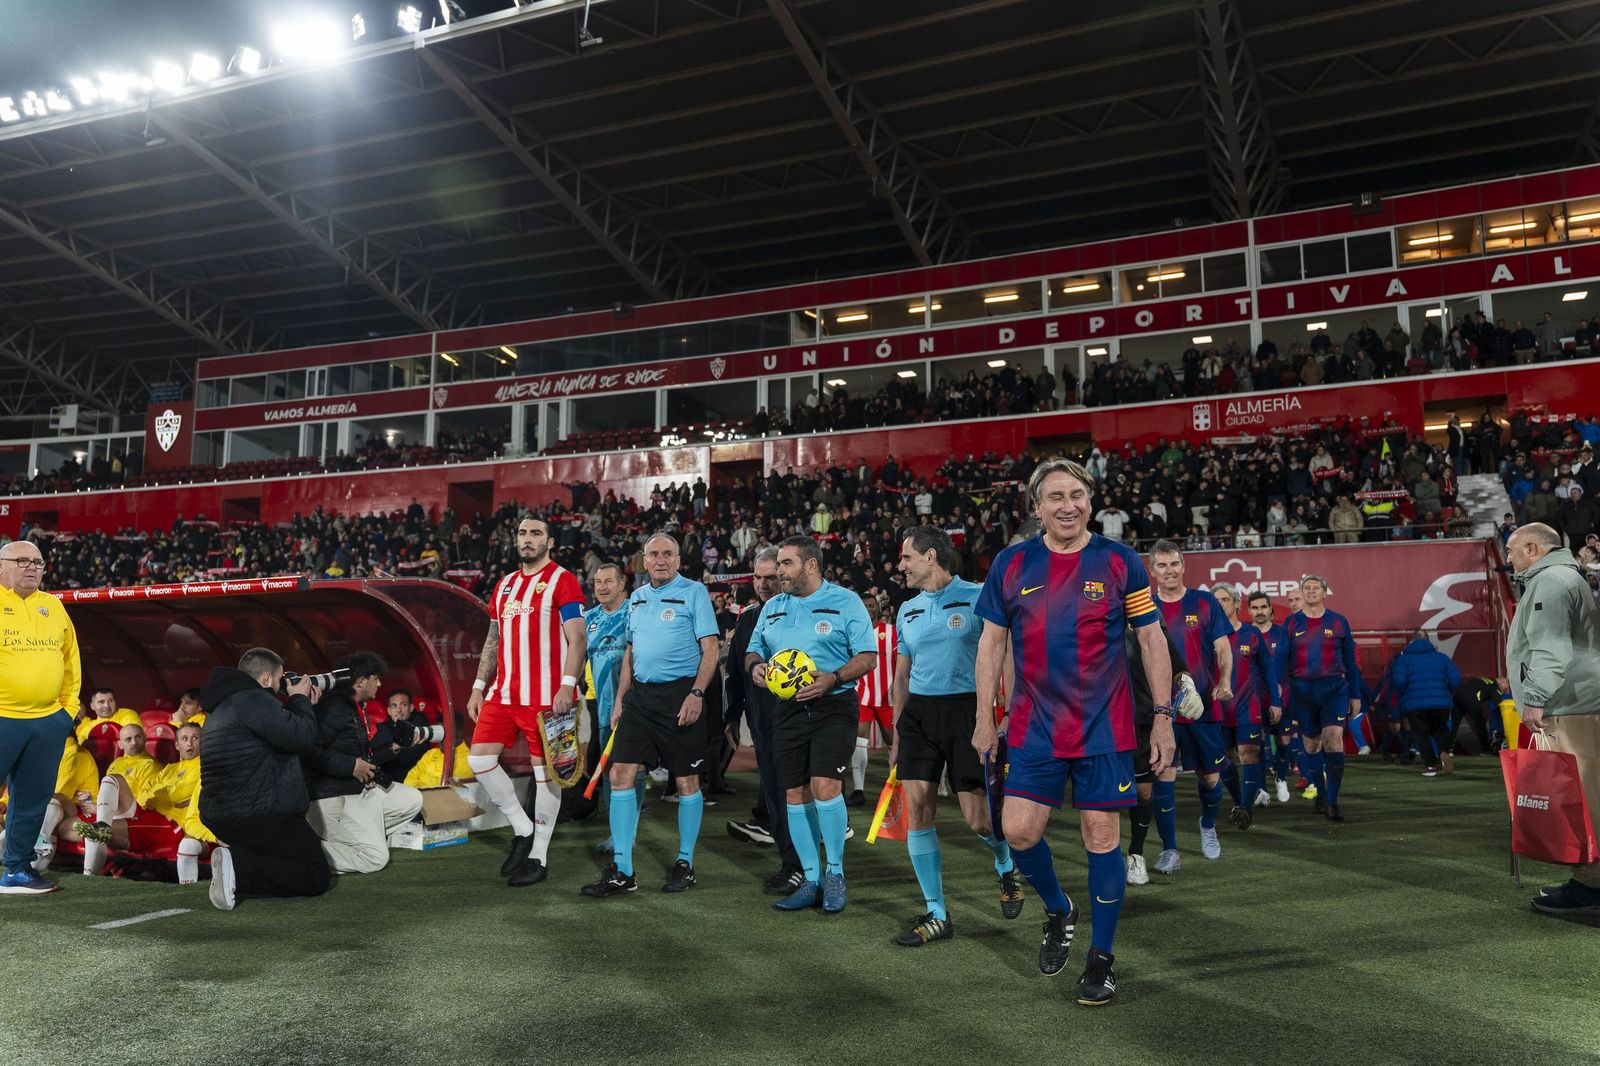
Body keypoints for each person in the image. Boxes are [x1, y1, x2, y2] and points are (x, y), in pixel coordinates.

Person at [972, 458, 1175, 1007]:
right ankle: (1060, 909)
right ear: (1037, 507)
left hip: (1104, 728)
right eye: (1056, 496)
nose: (1068, 505)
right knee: (1017, 833)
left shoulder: (1119, 561)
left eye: (1078, 494)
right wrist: (985, 717)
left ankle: (1101, 960)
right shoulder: (1012, 564)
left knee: (1102, 839)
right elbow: (992, 643)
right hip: (1035, 725)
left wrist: (1162, 714)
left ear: (1091, 501)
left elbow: (1152, 639)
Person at [889, 526, 1021, 946]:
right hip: (919, 718)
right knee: (918, 811)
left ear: (930, 557)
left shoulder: (980, 595)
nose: (901, 565)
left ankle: (1005, 864)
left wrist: (1009, 712)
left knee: (978, 820)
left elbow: (1007, 654)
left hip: (969, 712)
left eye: (907, 557)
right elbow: (901, 677)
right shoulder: (905, 610)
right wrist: (896, 733)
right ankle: (936, 913)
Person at [746, 535, 877, 914]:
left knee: (824, 786)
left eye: (786, 564)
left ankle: (835, 873)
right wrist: (755, 667)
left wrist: (833, 677)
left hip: (833, 705)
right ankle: (810, 878)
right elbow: (755, 650)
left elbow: (867, 657)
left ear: (811, 565)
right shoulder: (772, 608)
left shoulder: (846, 601)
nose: (779, 572)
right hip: (785, 709)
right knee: (794, 793)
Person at [584, 532, 719, 897]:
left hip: (680, 695)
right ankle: (623, 871)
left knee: (686, 781)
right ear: (644, 560)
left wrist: (696, 694)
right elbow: (631, 651)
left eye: (667, 554)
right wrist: (620, 700)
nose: (660, 560)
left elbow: (711, 649)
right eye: (654, 554)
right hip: (640, 698)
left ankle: (685, 862)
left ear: (678, 559)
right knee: (620, 772)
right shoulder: (639, 598)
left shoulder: (694, 593)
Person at [464, 514, 587, 887]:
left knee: (546, 776)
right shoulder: (503, 587)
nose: (527, 539)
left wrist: (568, 684)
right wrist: (478, 685)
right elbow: (492, 641)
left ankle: (539, 857)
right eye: (522, 533)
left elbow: (578, 638)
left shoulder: (562, 580)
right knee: (479, 759)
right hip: (504, 694)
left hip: (548, 700)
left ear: (550, 543)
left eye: (536, 533)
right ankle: (522, 828)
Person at [1503, 523, 1600, 916]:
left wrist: (1535, 698)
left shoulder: (1551, 581)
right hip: (1577, 701)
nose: (1508, 557)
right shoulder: (1562, 577)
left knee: (1584, 798)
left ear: (1532, 548)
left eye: (1511, 549)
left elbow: (1550, 645)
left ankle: (1591, 886)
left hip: (1570, 704)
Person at [198, 647, 331, 910]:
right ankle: (237, 867)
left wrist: (300, 706)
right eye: (282, 680)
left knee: (276, 858)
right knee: (315, 875)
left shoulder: (221, 709)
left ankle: (235, 865)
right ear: (268, 678)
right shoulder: (254, 700)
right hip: (262, 813)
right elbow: (301, 738)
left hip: (224, 815)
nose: (283, 687)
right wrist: (301, 700)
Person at [1146, 540, 1233, 872]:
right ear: (1152, 571)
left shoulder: (1205, 601)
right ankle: (1170, 850)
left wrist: (1224, 681)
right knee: (1163, 774)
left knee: (1210, 778)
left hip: (1202, 706)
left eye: (1174, 564)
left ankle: (1208, 825)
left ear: (1184, 566)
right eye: (1162, 565)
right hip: (1160, 707)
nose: (1169, 571)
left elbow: (1222, 648)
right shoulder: (1144, 607)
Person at [723, 549, 805, 894]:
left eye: (771, 577)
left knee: (802, 793)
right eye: (757, 578)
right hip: (762, 723)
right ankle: (791, 863)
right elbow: (736, 675)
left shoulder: (803, 612)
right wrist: (732, 715)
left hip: (802, 720)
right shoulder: (746, 619)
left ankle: (814, 865)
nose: (763, 584)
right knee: (774, 793)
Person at [0, 539, 79, 895]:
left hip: (47, 722)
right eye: (22, 561)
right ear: (2, 565)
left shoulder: (54, 606)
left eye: (38, 562)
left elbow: (71, 662)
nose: (32, 567)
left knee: (33, 800)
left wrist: (68, 712)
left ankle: (16, 870)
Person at [304, 652, 424, 875]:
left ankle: (357, 841)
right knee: (376, 858)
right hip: (332, 799)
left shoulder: (353, 707)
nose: (379, 684)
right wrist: (350, 765)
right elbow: (309, 752)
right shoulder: (334, 707)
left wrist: (394, 748)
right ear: (361, 682)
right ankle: (305, 852)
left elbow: (363, 760)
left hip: (357, 791)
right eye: (375, 678)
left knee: (412, 799)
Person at [1272, 575, 1361, 822]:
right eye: (1306, 588)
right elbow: (1279, 660)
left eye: (1315, 588)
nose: (1310, 591)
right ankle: (1321, 793)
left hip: (1333, 688)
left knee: (1333, 740)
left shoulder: (1339, 621)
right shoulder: (1291, 623)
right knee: (1311, 745)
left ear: (1325, 593)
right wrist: (1277, 692)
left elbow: (1351, 661)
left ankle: (1332, 802)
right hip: (1301, 690)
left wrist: (1355, 694)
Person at [1210, 583, 1279, 830]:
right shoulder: (1206, 635)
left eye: (1224, 599)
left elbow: (1268, 671)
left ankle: (1246, 808)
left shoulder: (1251, 634)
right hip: (1217, 709)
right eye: (1215, 600)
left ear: (1237, 603)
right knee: (1222, 760)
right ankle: (1241, 802)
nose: (1219, 604)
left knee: (1249, 754)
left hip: (1247, 707)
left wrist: (1276, 702)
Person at [584, 562, 638, 855]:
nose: (601, 587)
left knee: (631, 768)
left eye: (608, 581)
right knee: (608, 770)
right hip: (603, 707)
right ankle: (617, 831)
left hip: (634, 705)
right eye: (597, 582)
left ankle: (628, 833)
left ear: (621, 584)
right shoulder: (588, 618)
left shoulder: (635, 611)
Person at [1248, 591, 1301, 803]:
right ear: (1249, 610)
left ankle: (1280, 778)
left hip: (1284, 697)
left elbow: (1294, 665)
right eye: (1255, 608)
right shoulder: (1246, 635)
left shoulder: (1283, 635)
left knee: (1284, 740)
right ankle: (1261, 789)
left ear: (1270, 609)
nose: (1259, 612)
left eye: (1263, 607)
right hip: (1254, 698)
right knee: (1256, 744)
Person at [1388, 630, 1463, 777]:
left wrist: (1404, 694)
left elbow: (1399, 681)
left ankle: (1431, 764)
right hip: (1440, 702)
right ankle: (1444, 752)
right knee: (1440, 729)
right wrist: (1446, 691)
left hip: (1414, 704)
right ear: (1428, 641)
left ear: (1412, 641)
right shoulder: (1441, 657)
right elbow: (1456, 678)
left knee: (1421, 734)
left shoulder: (1403, 660)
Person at [850, 596, 896, 806]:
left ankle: (897, 786)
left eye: (871, 605)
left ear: (878, 609)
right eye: (864, 605)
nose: (868, 609)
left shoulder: (892, 633)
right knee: (860, 739)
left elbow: (904, 661)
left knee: (893, 742)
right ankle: (858, 790)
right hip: (863, 695)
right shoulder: (853, 633)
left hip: (888, 698)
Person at [74, 688, 140, 744]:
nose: (107, 705)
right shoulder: (88, 728)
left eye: (110, 701)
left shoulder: (127, 715)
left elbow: (135, 742)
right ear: (92, 706)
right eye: (101, 702)